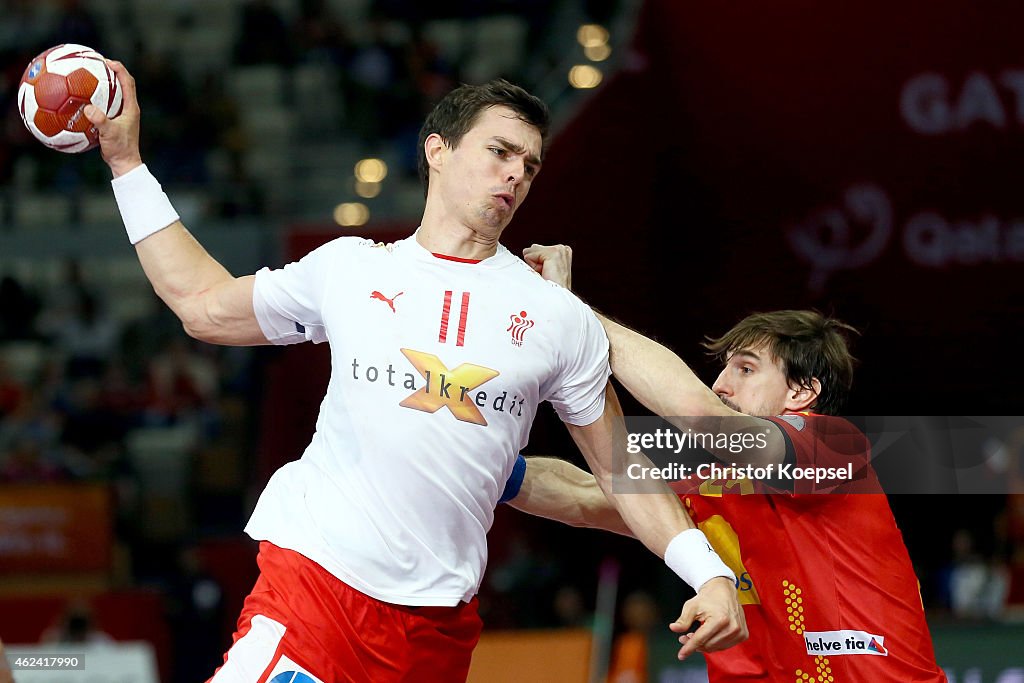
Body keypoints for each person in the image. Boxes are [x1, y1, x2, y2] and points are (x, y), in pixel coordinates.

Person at [83, 65, 745, 682]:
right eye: (499, 152)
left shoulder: (555, 315)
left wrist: (709, 574)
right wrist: (126, 162)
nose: (515, 174)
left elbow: (616, 472)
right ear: (437, 150)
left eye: (530, 165)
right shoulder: (349, 267)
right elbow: (203, 307)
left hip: (436, 633)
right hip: (315, 591)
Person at [511, 245, 946, 681]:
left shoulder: (834, 447)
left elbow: (703, 417)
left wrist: (571, 314)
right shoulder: (712, 486)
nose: (721, 384)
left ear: (800, 394)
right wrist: (487, 467)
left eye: (746, 369)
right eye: (724, 369)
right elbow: (585, 497)